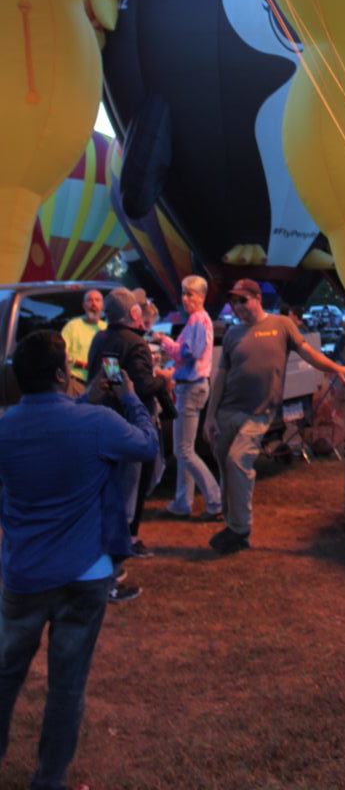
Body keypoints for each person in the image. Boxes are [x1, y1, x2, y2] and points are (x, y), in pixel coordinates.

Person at [0, 330, 157, 790]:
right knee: (66, 686)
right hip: (85, 574)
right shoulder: (95, 425)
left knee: (6, 675)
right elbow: (147, 445)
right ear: (60, 373)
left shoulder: (6, 428)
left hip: (24, 574)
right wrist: (129, 399)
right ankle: (49, 780)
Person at [203, 279, 345, 555]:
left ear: (256, 298)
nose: (237, 307)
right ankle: (233, 526)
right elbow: (221, 377)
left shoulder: (281, 325)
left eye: (242, 300)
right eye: (233, 302)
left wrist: (338, 368)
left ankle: (240, 529)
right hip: (227, 410)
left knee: (237, 462)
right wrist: (210, 416)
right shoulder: (232, 335)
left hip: (258, 412)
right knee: (226, 470)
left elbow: (310, 354)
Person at [87, 287, 168, 562]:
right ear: (133, 313)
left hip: (106, 419)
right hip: (133, 423)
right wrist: (163, 381)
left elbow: (112, 376)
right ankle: (121, 549)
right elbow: (142, 386)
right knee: (135, 482)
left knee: (119, 485)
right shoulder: (134, 342)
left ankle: (121, 540)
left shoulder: (103, 338)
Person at [157, 275, 222, 521]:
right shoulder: (202, 320)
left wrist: (166, 344)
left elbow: (189, 352)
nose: (185, 299)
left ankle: (215, 499)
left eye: (190, 294)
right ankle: (182, 502)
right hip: (194, 385)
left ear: (201, 297)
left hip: (191, 388)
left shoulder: (196, 320)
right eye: (183, 293)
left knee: (183, 450)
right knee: (185, 448)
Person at [61, 289, 106, 396]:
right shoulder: (72, 326)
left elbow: (112, 360)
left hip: (100, 386)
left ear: (103, 305)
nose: (93, 304)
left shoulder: (107, 328)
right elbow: (61, 354)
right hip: (76, 383)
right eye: (89, 300)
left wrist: (115, 383)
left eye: (97, 300)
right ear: (83, 305)